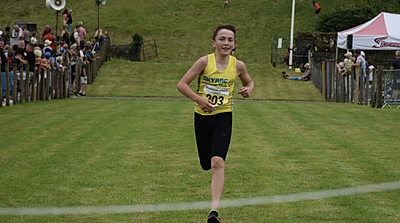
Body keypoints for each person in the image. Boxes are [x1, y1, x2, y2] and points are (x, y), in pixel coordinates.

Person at [177, 24, 254, 223]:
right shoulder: (204, 62)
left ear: (235, 44)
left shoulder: (238, 66)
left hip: (223, 117)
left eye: (230, 40)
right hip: (202, 118)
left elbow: (249, 82)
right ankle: (208, 170)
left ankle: (214, 213)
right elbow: (182, 84)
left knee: (217, 162)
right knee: (206, 163)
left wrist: (249, 89)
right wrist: (199, 99)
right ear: (214, 43)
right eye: (222, 39)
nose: (226, 43)